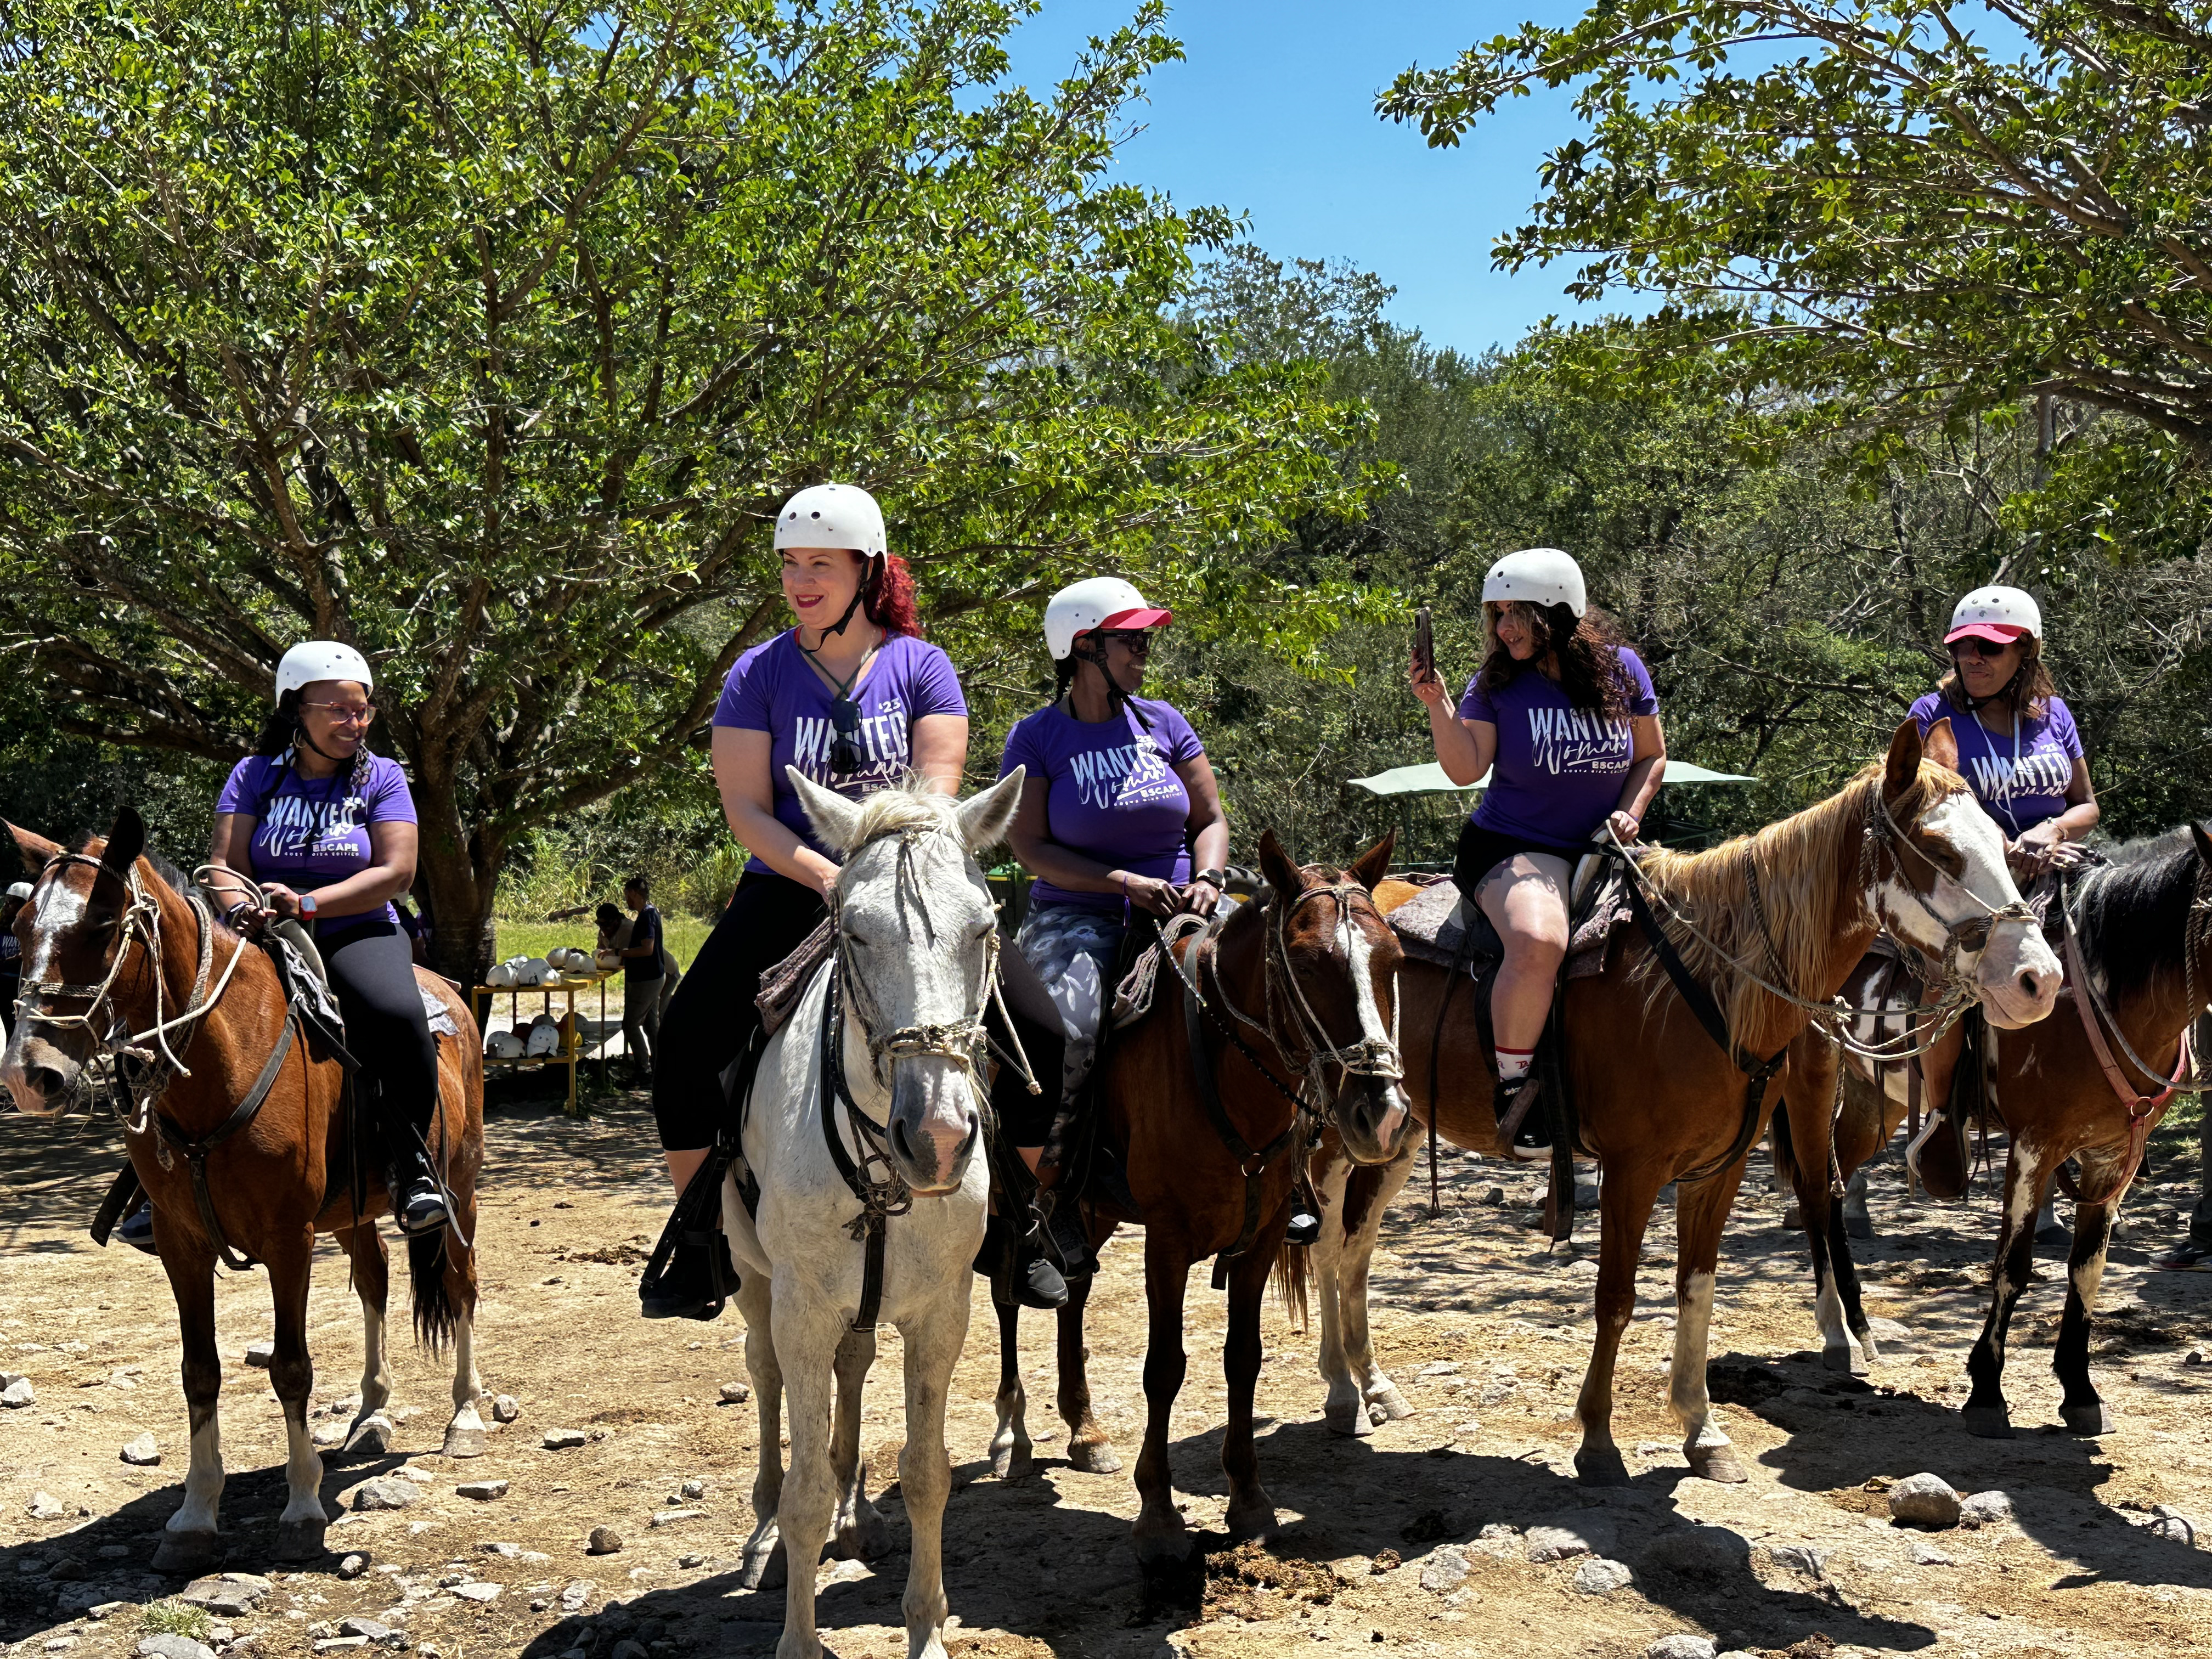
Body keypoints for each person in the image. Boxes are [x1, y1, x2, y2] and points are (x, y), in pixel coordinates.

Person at [645, 482, 1068, 1318]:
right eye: (789, 565)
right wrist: (827, 876)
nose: (800, 581)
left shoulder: (921, 666)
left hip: (911, 888)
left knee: (1044, 1034)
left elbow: (935, 796)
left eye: (820, 565)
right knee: (686, 1043)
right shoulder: (757, 675)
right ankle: (698, 1239)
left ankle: (1019, 1220)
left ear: (865, 570)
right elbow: (747, 812)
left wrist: (874, 874)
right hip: (794, 885)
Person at [120, 640, 445, 1252]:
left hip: (355, 929)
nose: (356, 723)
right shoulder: (254, 775)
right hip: (260, 930)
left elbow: (398, 873)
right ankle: (151, 1187)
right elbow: (222, 863)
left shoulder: (383, 777)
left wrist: (310, 902)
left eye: (363, 711)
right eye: (340, 711)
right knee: (180, 1022)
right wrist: (237, 905)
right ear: (297, 710)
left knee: (397, 1015)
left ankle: (413, 1169)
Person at [1408, 548, 1665, 1158]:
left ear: (1559, 610)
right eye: (1497, 616)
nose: (1503, 630)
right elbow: (1466, 769)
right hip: (1513, 847)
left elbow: (1651, 756)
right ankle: (1516, 1092)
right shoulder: (1495, 684)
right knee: (1540, 941)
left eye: (1515, 614)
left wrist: (1631, 811)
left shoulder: (1623, 669)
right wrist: (1438, 704)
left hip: (1605, 849)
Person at [1900, 585, 2099, 1201]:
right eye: (1963, 649)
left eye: (1990, 648)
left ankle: (2107, 1106)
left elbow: (2087, 805)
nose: (1973, 659)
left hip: (2055, 867)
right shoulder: (1932, 714)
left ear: (2026, 653)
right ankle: (1940, 1119)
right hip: (1973, 881)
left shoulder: (2054, 716)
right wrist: (1995, 848)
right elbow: (1915, 805)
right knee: (1946, 974)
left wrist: (2052, 829)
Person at [1001, 575, 1228, 1114]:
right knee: (1072, 1031)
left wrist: (1209, 879)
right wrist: (1124, 884)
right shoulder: (1034, 737)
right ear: (1084, 646)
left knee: (1283, 983)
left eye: (1147, 639)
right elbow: (1029, 847)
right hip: (1079, 917)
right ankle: (1060, 1167)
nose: (1144, 651)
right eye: (1132, 639)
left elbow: (1210, 821)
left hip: (1187, 903)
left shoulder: (1165, 721)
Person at [616, 875, 665, 1082]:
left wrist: (620, 952)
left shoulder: (646, 916)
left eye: (627, 895)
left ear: (634, 894)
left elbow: (647, 949)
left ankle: (642, 1070)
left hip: (647, 979)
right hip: (655, 976)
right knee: (651, 1025)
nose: (626, 899)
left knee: (630, 1024)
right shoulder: (652, 912)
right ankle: (659, 1067)